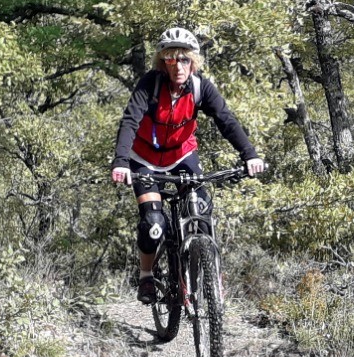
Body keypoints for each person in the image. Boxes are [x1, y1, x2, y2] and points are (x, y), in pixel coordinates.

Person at [111, 26, 266, 303]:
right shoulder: (150, 84)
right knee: (153, 224)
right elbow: (130, 120)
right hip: (144, 159)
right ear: (163, 62)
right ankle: (146, 276)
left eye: (184, 59)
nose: (178, 65)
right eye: (171, 59)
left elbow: (226, 120)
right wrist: (121, 162)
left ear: (193, 61)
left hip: (182, 156)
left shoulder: (200, 87)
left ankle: (209, 279)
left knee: (201, 210)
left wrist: (250, 155)